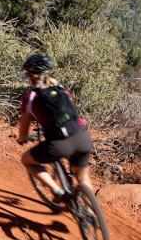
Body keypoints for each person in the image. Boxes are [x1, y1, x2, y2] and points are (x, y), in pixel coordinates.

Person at [17, 54, 93, 200]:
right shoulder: (62, 90)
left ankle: (58, 192)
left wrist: (22, 139)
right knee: (83, 178)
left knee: (26, 160)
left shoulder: (31, 98)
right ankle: (92, 215)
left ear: (29, 75)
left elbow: (24, 127)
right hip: (82, 137)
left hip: (59, 144)